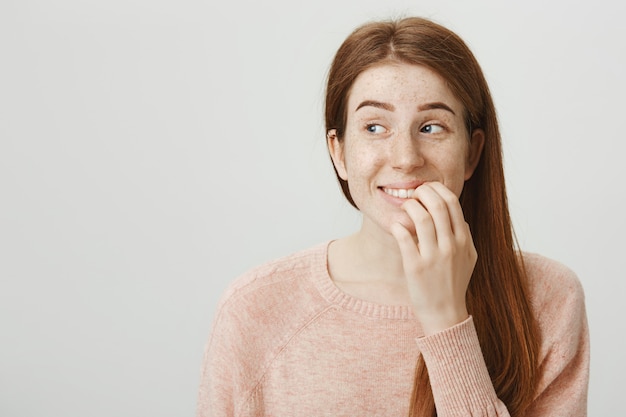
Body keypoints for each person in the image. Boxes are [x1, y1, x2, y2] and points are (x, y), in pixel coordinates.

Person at [196, 17, 589, 417]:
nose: (405, 159)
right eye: (374, 127)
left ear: (471, 153)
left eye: (432, 127)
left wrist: (446, 319)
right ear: (339, 153)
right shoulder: (254, 310)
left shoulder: (549, 300)